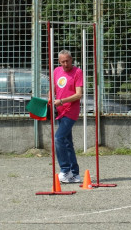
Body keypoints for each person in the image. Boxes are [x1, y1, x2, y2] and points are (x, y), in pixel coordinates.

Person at [52, 50, 83, 184]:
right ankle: (74, 173)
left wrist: (62, 101)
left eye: (67, 61)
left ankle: (65, 170)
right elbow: (53, 88)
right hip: (60, 111)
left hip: (71, 111)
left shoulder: (77, 72)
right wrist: (49, 98)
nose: (65, 64)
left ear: (72, 59)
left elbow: (78, 94)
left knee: (58, 138)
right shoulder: (57, 71)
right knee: (67, 143)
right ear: (59, 62)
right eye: (63, 61)